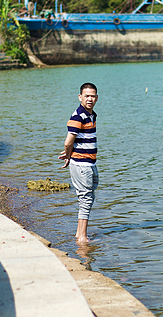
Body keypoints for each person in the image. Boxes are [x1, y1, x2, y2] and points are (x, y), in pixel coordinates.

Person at [58, 83, 99, 245]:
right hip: (81, 164)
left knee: (89, 195)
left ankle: (78, 233)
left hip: (89, 163)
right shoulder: (78, 116)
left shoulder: (91, 114)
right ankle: (82, 237)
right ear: (80, 97)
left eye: (93, 96)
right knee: (86, 198)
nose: (90, 99)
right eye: (86, 96)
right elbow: (68, 142)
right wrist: (68, 156)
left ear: (97, 98)